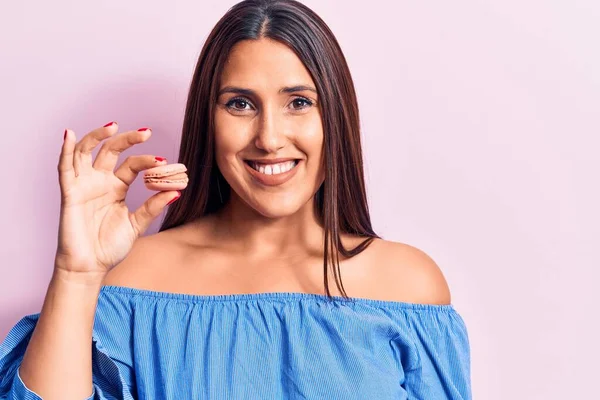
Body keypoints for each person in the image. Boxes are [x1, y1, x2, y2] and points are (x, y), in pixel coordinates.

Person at [0, 0, 472, 398]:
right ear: (209, 119)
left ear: (337, 117)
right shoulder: (133, 278)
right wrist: (77, 275)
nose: (269, 138)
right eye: (240, 103)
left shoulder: (409, 284)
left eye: (299, 102)